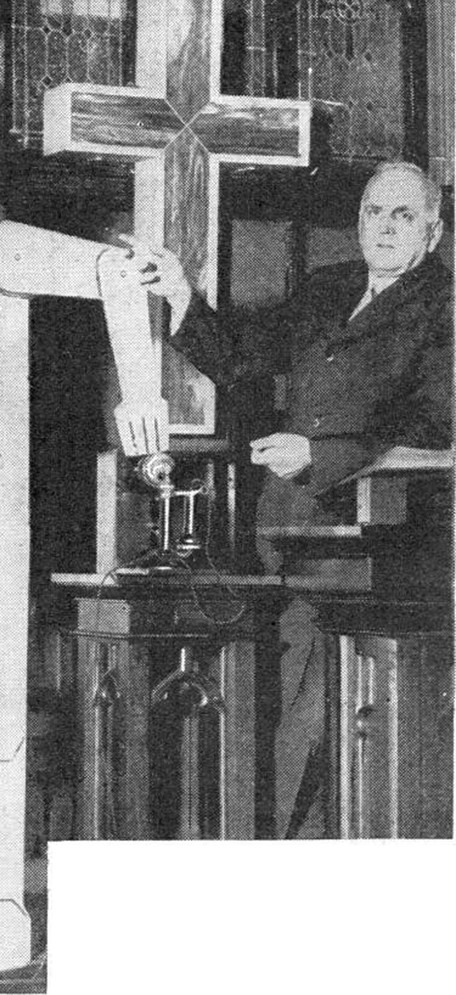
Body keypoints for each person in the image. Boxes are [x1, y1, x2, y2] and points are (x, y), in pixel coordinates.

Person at [121, 160, 453, 836]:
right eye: (373, 212)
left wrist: (319, 455)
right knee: (284, 703)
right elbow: (241, 356)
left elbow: (436, 426)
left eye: (403, 216)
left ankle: (278, 853)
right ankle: (280, 852)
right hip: (291, 532)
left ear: (434, 231)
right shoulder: (327, 287)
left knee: (330, 715)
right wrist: (181, 292)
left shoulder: (445, 305)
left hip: (385, 548)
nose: (385, 228)